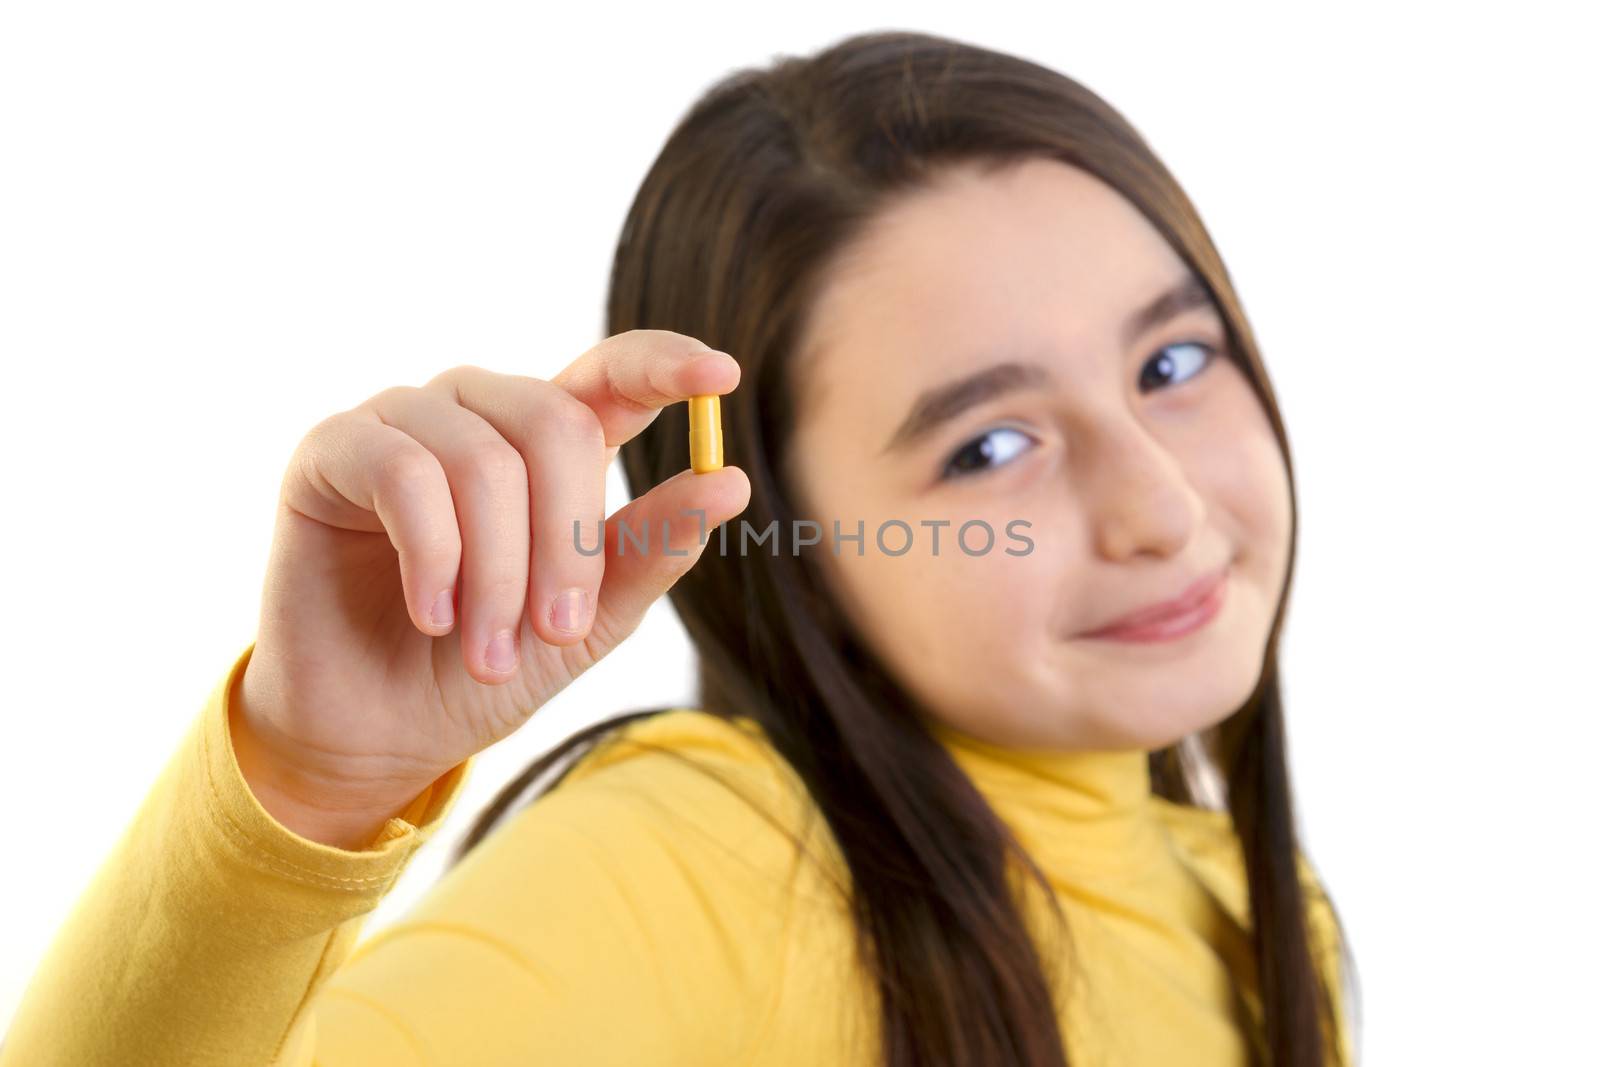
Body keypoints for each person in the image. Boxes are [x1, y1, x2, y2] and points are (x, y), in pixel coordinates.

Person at [1, 29, 1358, 1067]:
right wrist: (304, 787)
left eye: (1175, 359)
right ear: (780, 535)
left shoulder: (1258, 909)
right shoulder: (710, 869)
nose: (1163, 507)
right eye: (988, 448)